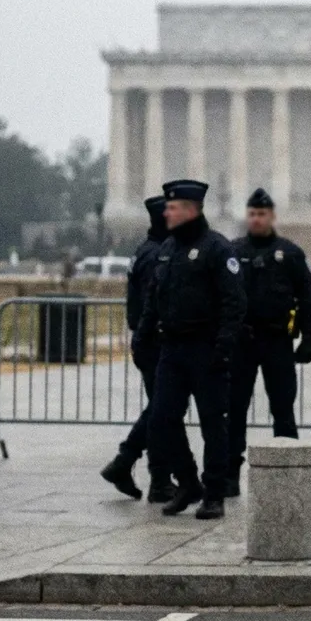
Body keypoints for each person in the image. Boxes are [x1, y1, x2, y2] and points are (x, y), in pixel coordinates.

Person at [134, 179, 246, 520]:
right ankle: (187, 481)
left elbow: (234, 301)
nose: (166, 211)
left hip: (206, 348)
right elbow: (154, 298)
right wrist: (142, 336)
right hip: (172, 348)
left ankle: (213, 493)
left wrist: (224, 346)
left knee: (213, 424)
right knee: (161, 419)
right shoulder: (168, 248)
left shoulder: (217, 248)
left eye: (172, 207)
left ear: (191, 209)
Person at [226, 188, 311, 497]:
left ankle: (290, 470)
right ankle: (229, 472)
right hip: (242, 341)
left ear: (272, 217)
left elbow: (307, 296)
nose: (256, 219)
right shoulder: (233, 251)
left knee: (282, 407)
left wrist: (308, 338)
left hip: (277, 340)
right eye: (252, 214)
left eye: (262, 214)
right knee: (234, 408)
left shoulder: (289, 253)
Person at [100, 196, 178, 503]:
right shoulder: (156, 255)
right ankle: (142, 470)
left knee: (162, 409)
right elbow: (155, 304)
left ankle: (143, 470)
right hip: (155, 343)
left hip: (151, 343)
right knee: (162, 409)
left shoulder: (148, 250)